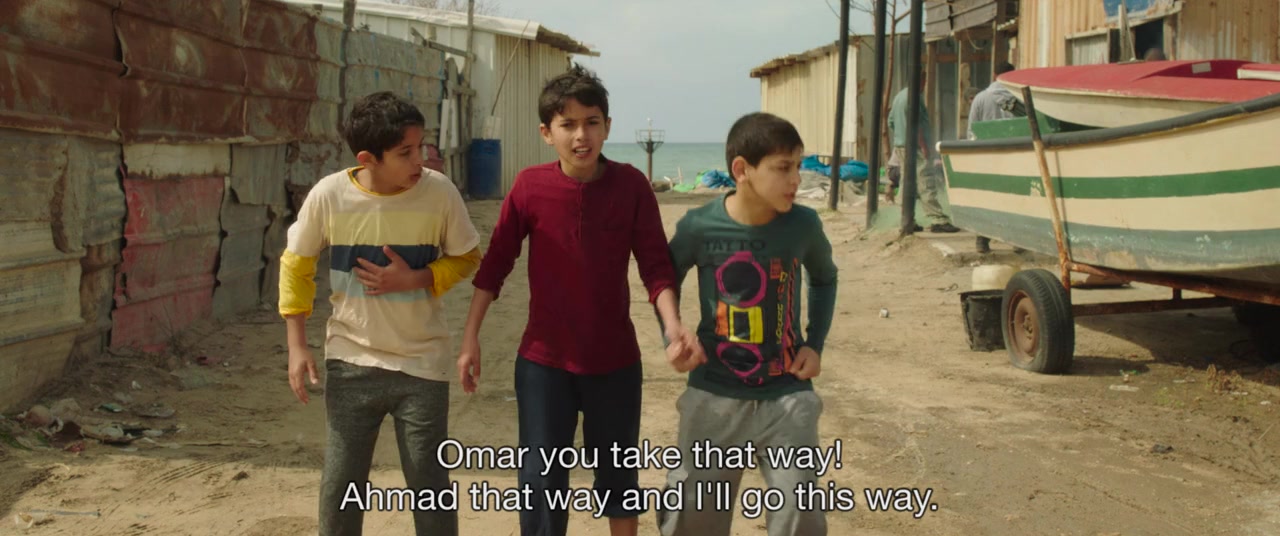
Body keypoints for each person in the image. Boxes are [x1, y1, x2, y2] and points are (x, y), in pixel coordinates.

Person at [457, 64, 697, 536]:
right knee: (541, 484)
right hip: (543, 364)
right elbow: (495, 265)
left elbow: (655, 267)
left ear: (608, 126)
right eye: (567, 124)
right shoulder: (529, 187)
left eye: (591, 122)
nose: (581, 135)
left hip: (615, 362)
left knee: (620, 481)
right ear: (547, 133)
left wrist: (673, 327)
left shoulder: (632, 186)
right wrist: (470, 339)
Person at [279, 91, 483, 536]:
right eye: (405, 153)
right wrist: (297, 346)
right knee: (341, 487)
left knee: (430, 486)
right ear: (368, 159)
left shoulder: (439, 192)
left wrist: (416, 278)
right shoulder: (330, 195)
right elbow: (296, 264)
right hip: (351, 361)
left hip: (423, 364)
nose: (419, 161)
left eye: (421, 147)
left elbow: (467, 257)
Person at [656, 112, 839, 536]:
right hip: (713, 391)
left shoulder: (803, 225)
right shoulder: (699, 226)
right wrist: (673, 334)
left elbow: (825, 278)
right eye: (783, 167)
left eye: (798, 166)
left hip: (788, 392)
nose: (796, 179)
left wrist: (814, 344)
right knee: (692, 517)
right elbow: (663, 278)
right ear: (742, 169)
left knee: (800, 514)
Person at [887, 73, 960, 233]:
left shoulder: (899, 96)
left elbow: (890, 121)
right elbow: (916, 124)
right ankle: (937, 219)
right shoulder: (914, 97)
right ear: (920, 81)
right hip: (916, 147)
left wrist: (901, 136)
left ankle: (907, 219)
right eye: (924, 81)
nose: (925, 85)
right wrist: (924, 146)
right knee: (926, 181)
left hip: (901, 146)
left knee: (907, 183)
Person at [967, 62, 1025, 253]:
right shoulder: (1021, 99)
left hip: (988, 158)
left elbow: (972, 132)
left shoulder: (981, 98)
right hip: (1015, 156)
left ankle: (982, 240)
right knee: (1016, 198)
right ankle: (1019, 242)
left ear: (994, 75)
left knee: (987, 198)